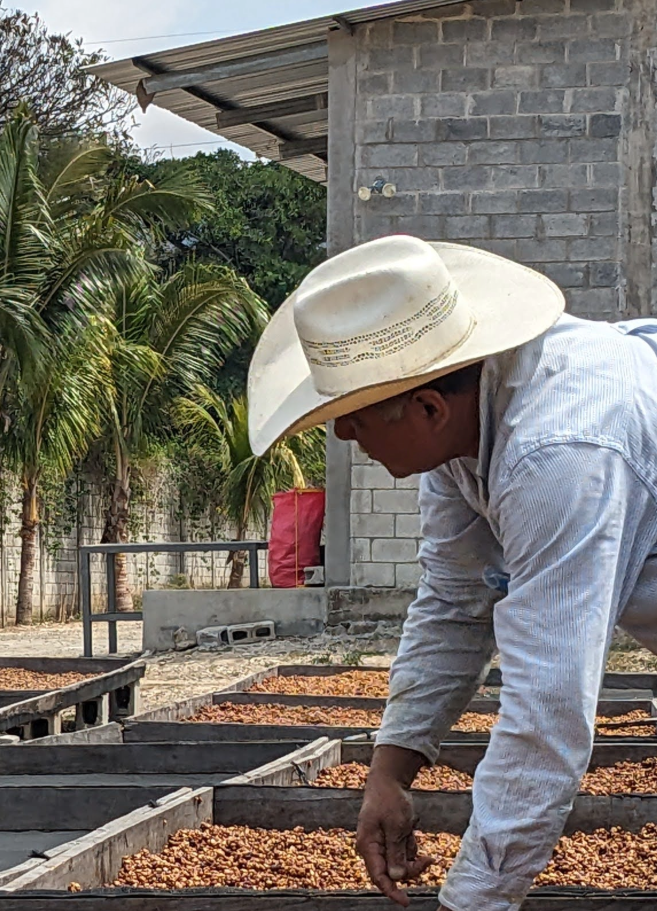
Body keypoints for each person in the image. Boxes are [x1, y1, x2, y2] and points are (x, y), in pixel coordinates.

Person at [246, 234, 657, 911]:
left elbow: (546, 716)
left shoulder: (560, 454)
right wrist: (390, 771)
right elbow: (457, 602)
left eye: (351, 421)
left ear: (429, 409)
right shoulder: (462, 441)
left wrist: (471, 900)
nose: (346, 440)